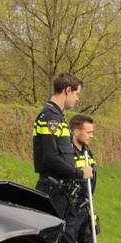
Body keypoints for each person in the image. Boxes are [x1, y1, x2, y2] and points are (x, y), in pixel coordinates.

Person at [32, 73, 93, 220]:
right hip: (52, 189)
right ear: (67, 90)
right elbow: (50, 157)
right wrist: (79, 173)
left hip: (60, 191)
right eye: (76, 93)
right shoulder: (50, 118)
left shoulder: (58, 117)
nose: (77, 98)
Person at [62, 114, 98, 243]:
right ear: (76, 132)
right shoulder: (67, 153)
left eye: (92, 132)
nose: (91, 135)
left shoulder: (88, 153)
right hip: (71, 209)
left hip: (86, 207)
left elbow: (93, 180)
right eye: (88, 132)